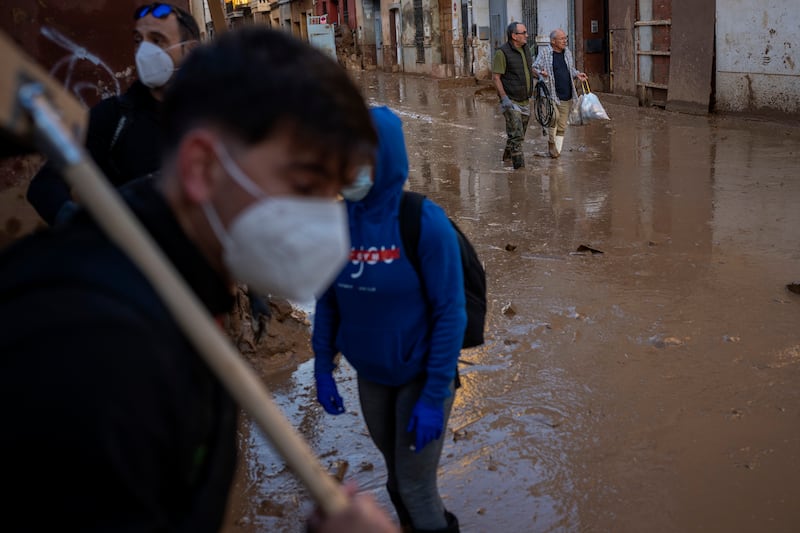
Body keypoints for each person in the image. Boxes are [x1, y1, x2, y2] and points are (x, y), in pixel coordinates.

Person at [0, 27, 397, 532]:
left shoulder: (180, 295)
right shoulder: (98, 351)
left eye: (331, 191)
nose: (324, 217)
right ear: (203, 167)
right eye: (304, 184)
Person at [312, 106, 466, 533]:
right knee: (397, 482)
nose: (346, 171)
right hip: (373, 377)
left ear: (385, 160)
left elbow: (450, 313)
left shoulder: (424, 222)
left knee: (416, 487)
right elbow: (328, 302)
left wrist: (435, 395)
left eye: (357, 161)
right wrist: (323, 367)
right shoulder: (338, 222)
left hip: (421, 374)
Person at [26, 2, 200, 225]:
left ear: (190, 51)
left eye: (157, 40)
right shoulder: (114, 118)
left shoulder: (216, 116)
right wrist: (82, 229)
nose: (144, 52)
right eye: (138, 41)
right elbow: (45, 185)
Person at [533, 28, 588, 158]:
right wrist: (541, 73)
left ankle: (556, 153)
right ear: (553, 41)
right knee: (554, 117)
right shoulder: (545, 53)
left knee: (562, 125)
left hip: (567, 93)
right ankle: (551, 143)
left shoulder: (567, 53)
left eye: (565, 38)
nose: (565, 41)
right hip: (550, 93)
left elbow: (570, 69)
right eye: (562, 39)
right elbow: (534, 67)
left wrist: (577, 74)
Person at [492, 21, 539, 170]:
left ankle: (506, 156)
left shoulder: (525, 49)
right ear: (514, 36)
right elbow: (496, 77)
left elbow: (528, 68)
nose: (527, 35)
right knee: (517, 136)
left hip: (525, 99)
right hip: (510, 100)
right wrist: (504, 98)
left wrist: (539, 74)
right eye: (523, 33)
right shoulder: (502, 53)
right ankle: (519, 172)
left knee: (518, 133)